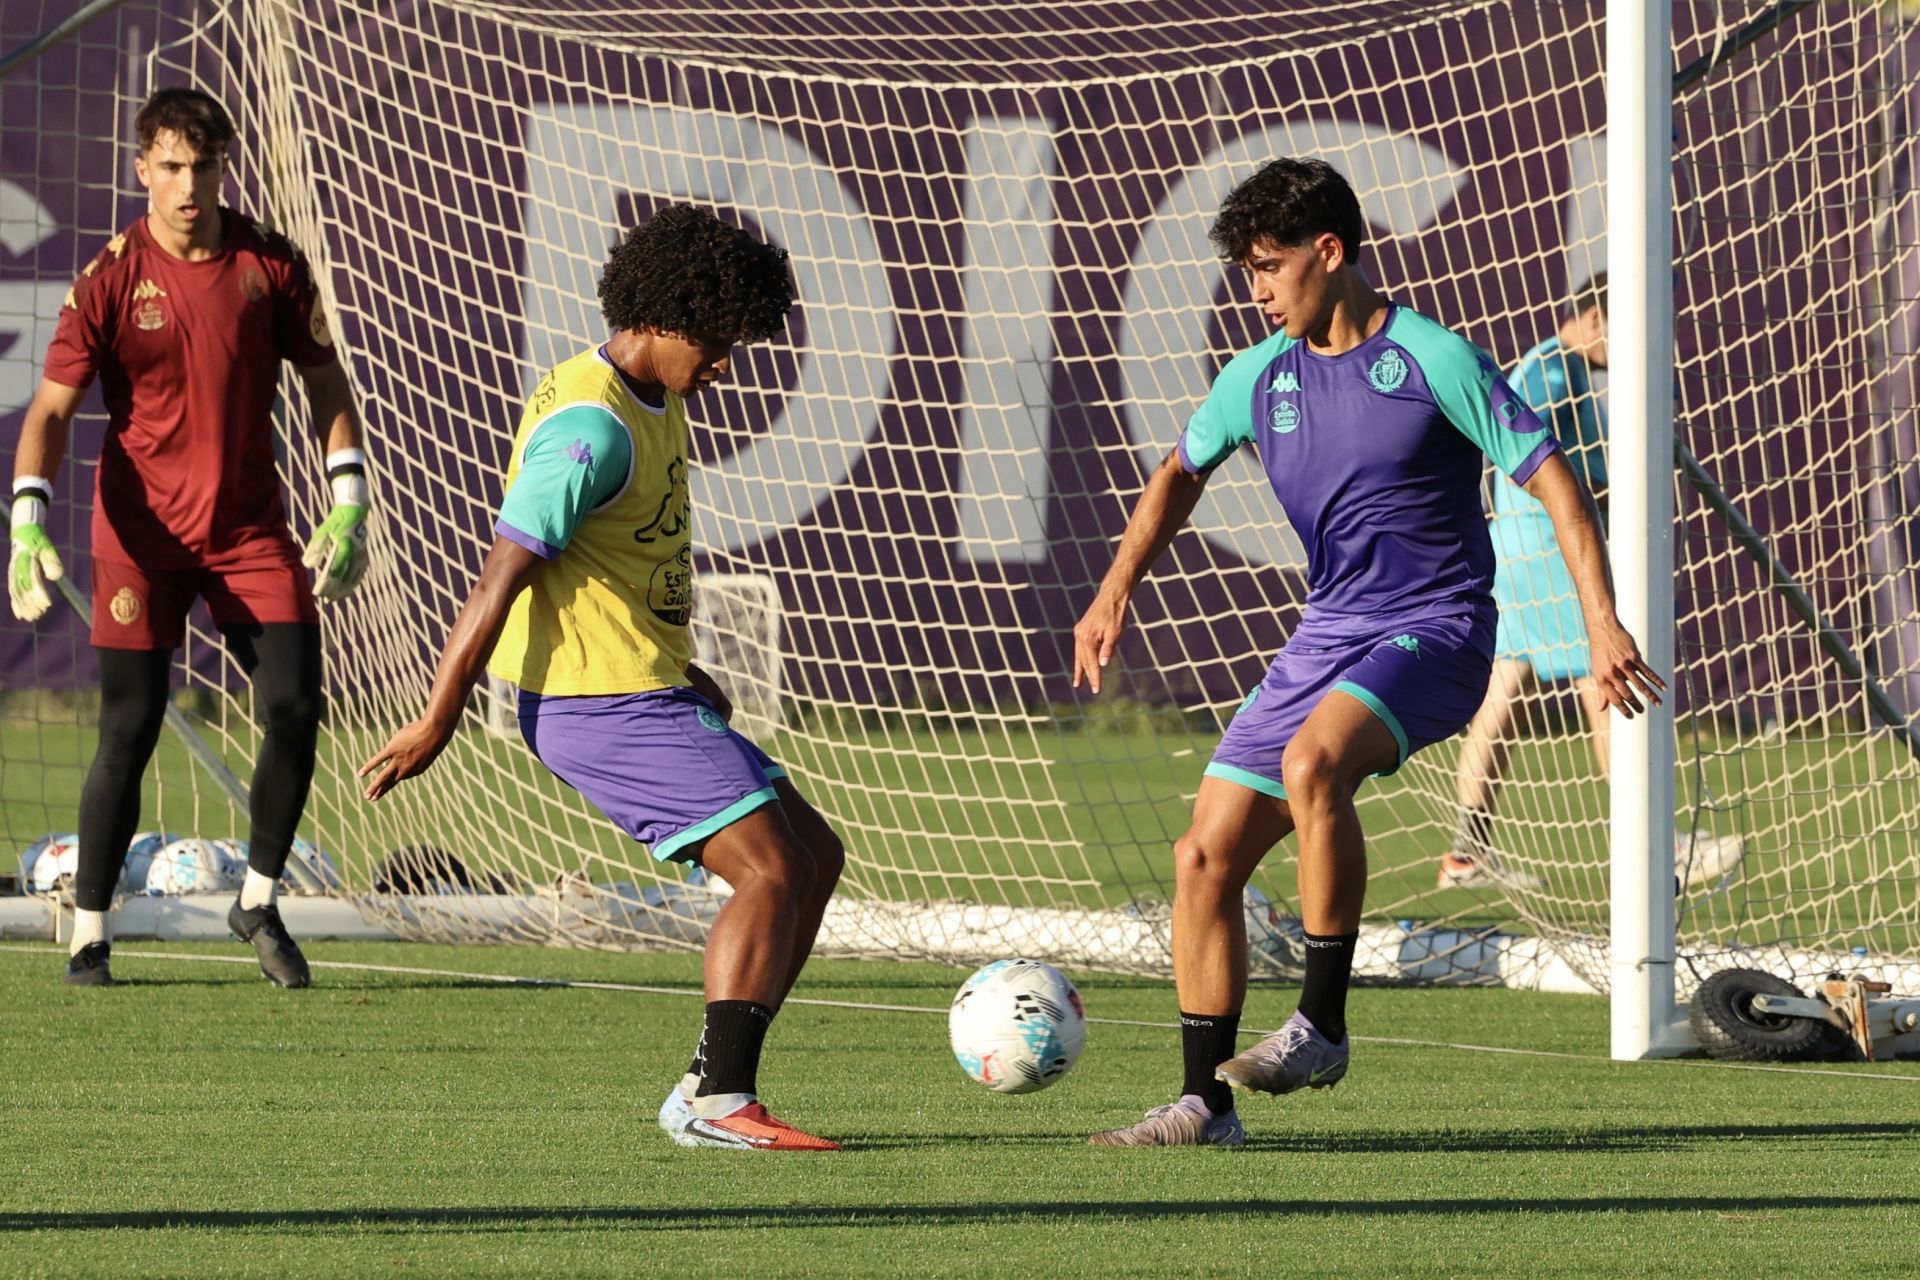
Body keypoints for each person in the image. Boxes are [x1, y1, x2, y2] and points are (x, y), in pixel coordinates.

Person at [1074, 158, 1661, 1147]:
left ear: (1330, 252)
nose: (1256, 290)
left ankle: (1323, 1021)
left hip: (1438, 626)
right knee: (1203, 854)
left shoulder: (1435, 357)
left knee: (1314, 763)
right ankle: (1202, 1104)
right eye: (1247, 271)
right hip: (1329, 632)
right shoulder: (1257, 377)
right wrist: (1115, 584)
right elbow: (1178, 471)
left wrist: (1601, 619)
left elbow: (1554, 480)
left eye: (1269, 265)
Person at [359, 203, 844, 1153]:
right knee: (770, 868)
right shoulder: (591, 429)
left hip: (641, 687)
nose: (726, 361)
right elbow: (501, 576)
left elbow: (608, 570)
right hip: (596, 704)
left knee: (814, 859)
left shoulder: (647, 401)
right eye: (715, 339)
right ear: (662, 317)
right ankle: (718, 1105)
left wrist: (681, 666)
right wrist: (437, 717)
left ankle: (712, 1085)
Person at [9, 87, 372, 989]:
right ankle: (91, 930)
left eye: (203, 166)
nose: (187, 185)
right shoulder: (108, 277)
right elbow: (51, 410)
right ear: (142, 169)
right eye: (170, 166)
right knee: (127, 728)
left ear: (222, 169)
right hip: (137, 539)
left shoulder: (270, 264)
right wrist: (25, 518)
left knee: (294, 706)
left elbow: (328, 385)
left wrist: (350, 499)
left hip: (249, 533)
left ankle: (256, 897)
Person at [1437, 274, 1743, 891]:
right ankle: (1656, 846)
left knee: (1504, 695)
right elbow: (1536, 459)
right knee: (1603, 682)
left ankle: (1465, 854)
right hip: (1551, 548)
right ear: (1597, 318)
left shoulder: (1554, 370)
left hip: (1516, 550)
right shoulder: (1552, 373)